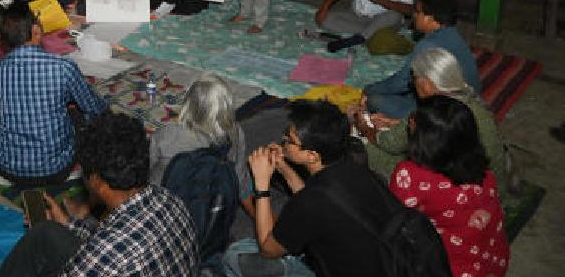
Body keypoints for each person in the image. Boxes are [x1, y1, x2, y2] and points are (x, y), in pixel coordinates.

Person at [0, 111, 199, 276]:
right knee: (46, 232)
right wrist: (67, 223)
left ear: (95, 180)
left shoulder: (103, 256)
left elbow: (103, 252)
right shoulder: (171, 200)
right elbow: (108, 239)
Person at [222, 100, 394, 277]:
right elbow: (316, 196)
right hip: (386, 260)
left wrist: (261, 185)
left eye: (290, 140)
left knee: (235, 255)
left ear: (312, 155)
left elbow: (268, 249)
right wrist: (283, 167)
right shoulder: (353, 168)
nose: (284, 141)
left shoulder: (309, 204)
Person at [357, 48, 508, 198]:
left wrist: (364, 127)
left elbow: (389, 143)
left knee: (366, 149)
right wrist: (395, 123)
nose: (413, 84)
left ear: (426, 84)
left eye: (415, 79)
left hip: (458, 187)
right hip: (489, 186)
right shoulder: (472, 105)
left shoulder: (431, 112)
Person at [389, 96, 510, 277]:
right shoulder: (480, 164)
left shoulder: (411, 175)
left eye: (414, 121)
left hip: (449, 269)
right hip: (493, 262)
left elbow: (393, 218)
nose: (410, 121)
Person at [0, 5, 108, 186]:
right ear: (36, 30)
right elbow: (94, 107)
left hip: (10, 167)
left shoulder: (0, 67)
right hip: (54, 169)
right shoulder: (62, 66)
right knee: (83, 116)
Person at [365, 0, 480, 119]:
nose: (414, 15)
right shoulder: (453, 33)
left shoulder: (426, 46)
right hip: (469, 100)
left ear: (431, 19)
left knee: (374, 100)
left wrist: (368, 89)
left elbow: (400, 83)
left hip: (450, 113)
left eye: (418, 12)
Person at [149, 75, 250, 196]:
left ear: (188, 103)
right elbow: (240, 178)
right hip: (211, 200)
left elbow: (146, 171)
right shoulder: (235, 132)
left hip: (165, 199)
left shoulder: (165, 135)